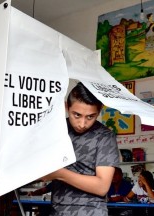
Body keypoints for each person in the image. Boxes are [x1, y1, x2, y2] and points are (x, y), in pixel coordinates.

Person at [40, 82, 120, 216]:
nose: (82, 124)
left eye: (90, 117)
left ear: (99, 111)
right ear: (67, 106)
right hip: (57, 211)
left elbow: (102, 187)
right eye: (77, 115)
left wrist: (59, 173)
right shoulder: (55, 130)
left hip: (92, 212)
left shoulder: (105, 136)